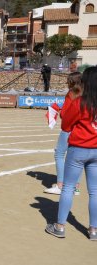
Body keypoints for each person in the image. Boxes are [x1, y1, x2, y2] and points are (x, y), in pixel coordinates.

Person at [45, 66, 97, 241]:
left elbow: (66, 125)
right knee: (95, 191)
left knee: (68, 187)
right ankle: (93, 230)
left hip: (79, 147)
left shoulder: (80, 102)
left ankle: (60, 226)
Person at [44, 72, 82, 196]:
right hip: (80, 130)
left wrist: (58, 111)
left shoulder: (71, 94)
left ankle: (60, 185)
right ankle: (75, 187)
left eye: (68, 80)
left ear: (71, 82)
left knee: (59, 154)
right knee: (77, 159)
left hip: (68, 129)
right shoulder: (85, 94)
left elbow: (66, 114)